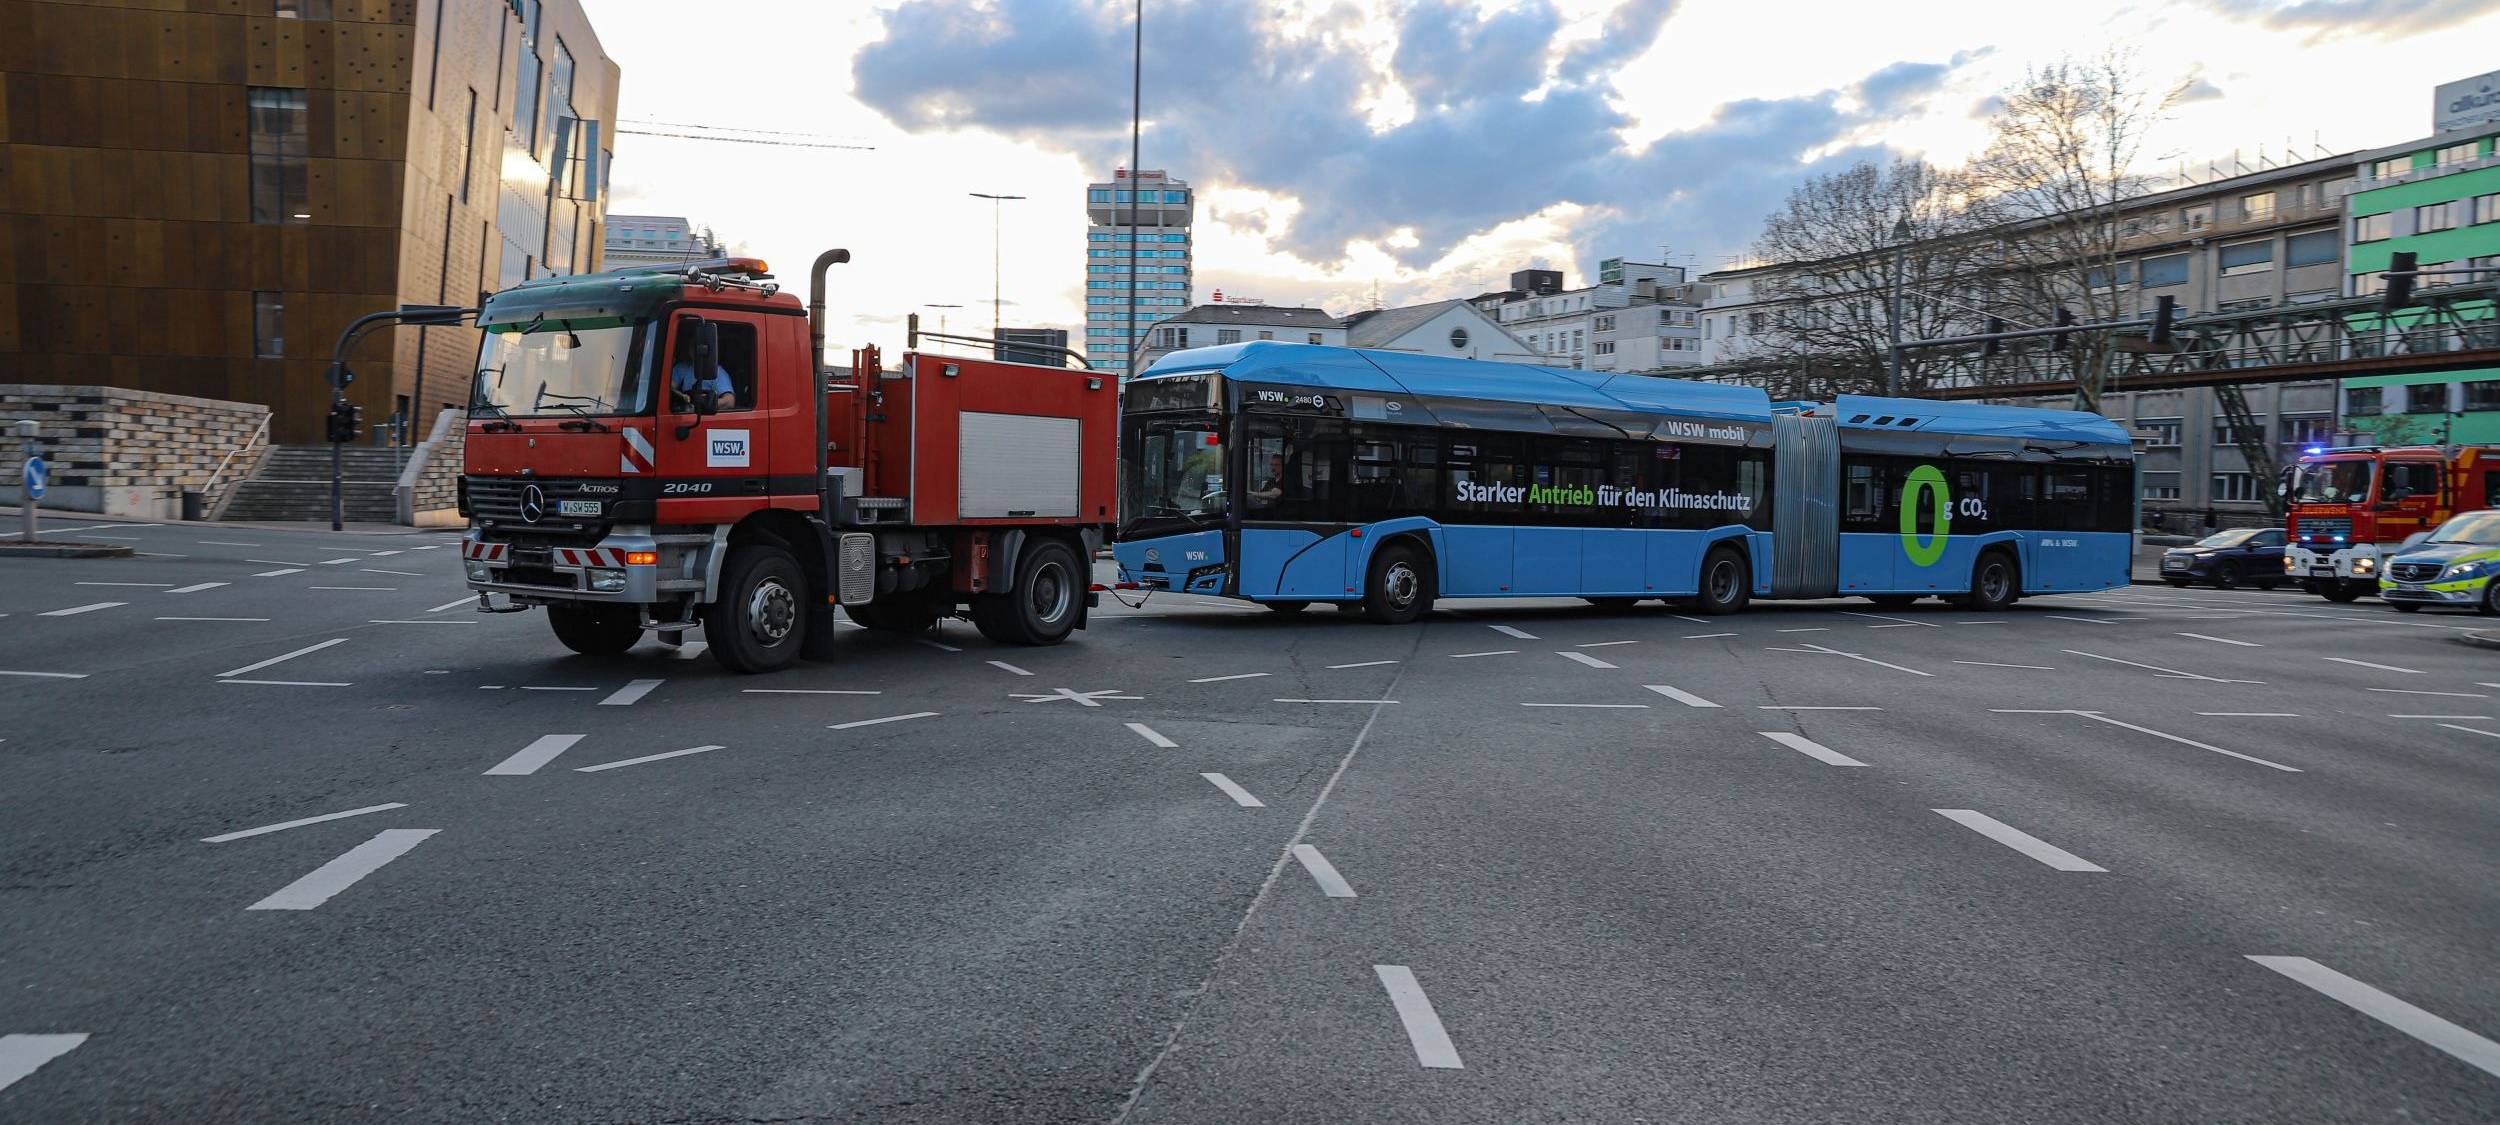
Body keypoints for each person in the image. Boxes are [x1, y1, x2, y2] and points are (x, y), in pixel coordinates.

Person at [670, 339, 738, 411]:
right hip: (681, 415)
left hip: (703, 417)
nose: (696, 349)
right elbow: (668, 388)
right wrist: (681, 395)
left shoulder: (717, 372)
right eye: (693, 345)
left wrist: (705, 404)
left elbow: (729, 401)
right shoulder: (681, 368)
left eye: (699, 345)